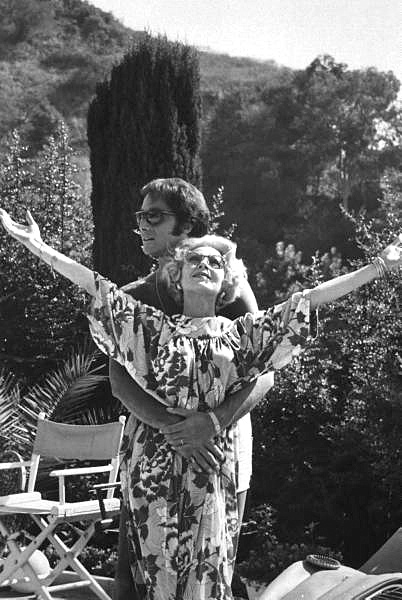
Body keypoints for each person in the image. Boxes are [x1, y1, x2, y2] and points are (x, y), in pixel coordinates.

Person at [1, 207, 401, 600]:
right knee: (155, 573)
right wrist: (38, 246)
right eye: (194, 259)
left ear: (227, 281)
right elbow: (94, 285)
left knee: (209, 570)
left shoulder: (242, 335)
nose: (204, 265)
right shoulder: (150, 329)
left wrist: (378, 267)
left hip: (210, 464)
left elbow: (309, 299)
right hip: (153, 467)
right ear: (177, 274)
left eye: (215, 262)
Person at [109, 178, 274, 599]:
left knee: (215, 568)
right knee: (136, 575)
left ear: (187, 226)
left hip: (221, 447)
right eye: (140, 216)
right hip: (151, 452)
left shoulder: (229, 291)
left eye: (154, 216)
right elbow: (119, 380)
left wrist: (212, 422)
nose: (142, 225)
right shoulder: (136, 296)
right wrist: (175, 429)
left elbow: (265, 371)